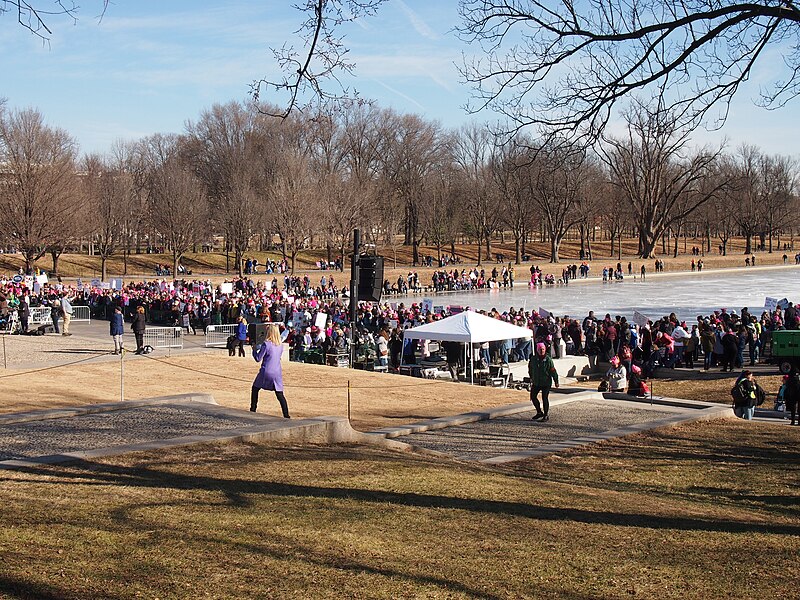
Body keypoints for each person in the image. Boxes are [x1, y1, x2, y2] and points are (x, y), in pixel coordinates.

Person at [251, 324, 290, 418]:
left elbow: (258, 358)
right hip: (277, 371)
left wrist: (254, 350)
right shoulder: (280, 345)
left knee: (255, 388)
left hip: (266, 370)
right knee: (280, 394)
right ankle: (286, 415)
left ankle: (253, 409)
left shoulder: (266, 344)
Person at [528, 342, 559, 422]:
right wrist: (531, 377)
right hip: (536, 382)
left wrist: (556, 381)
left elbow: (553, 371)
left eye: (543, 349)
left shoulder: (548, 359)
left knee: (544, 398)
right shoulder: (533, 359)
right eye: (540, 349)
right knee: (533, 396)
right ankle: (539, 412)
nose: (541, 351)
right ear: (537, 350)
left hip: (546, 382)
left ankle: (546, 414)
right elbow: (530, 369)